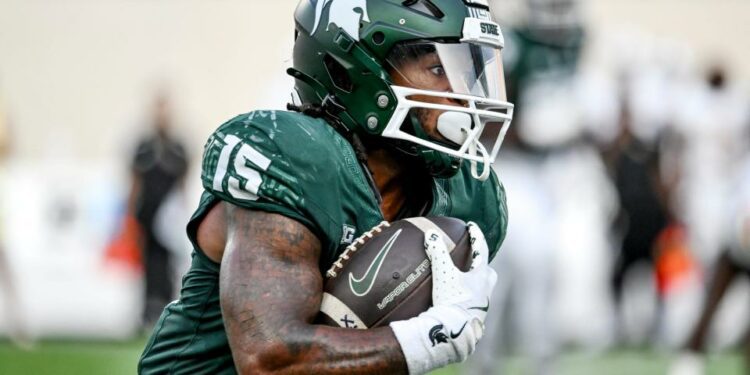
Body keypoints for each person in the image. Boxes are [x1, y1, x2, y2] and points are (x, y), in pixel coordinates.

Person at [139, 0, 512, 374]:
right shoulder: (294, 158)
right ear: (356, 70)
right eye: (437, 69)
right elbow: (269, 360)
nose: (464, 95)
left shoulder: (467, 197)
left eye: (467, 73)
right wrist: (427, 339)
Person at [129, 92, 189, 328]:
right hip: (147, 215)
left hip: (169, 220)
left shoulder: (177, 148)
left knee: (168, 264)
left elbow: (182, 181)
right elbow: (134, 180)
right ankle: (147, 311)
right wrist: (130, 213)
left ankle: (167, 308)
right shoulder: (144, 147)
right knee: (148, 263)